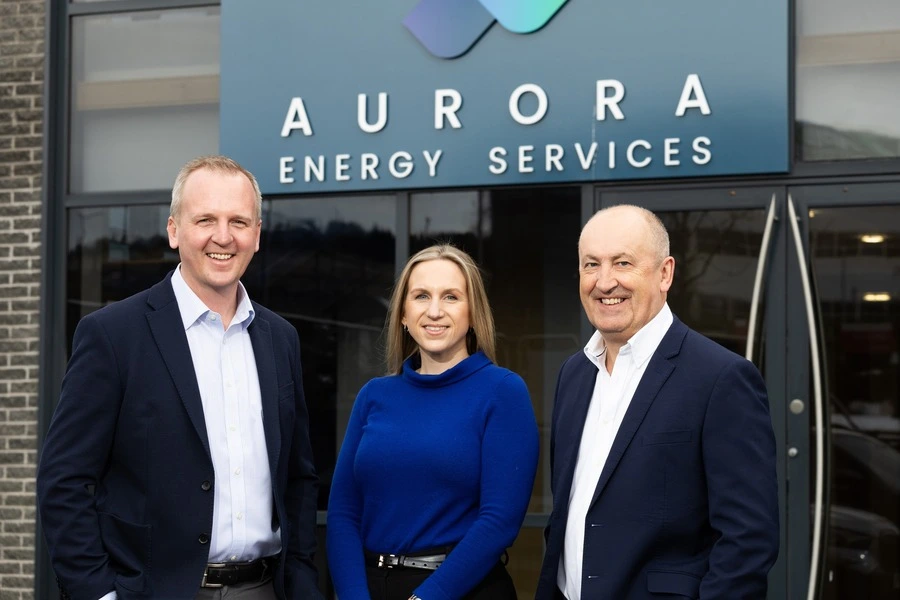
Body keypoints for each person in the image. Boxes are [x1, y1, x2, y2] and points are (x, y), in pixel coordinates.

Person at [37, 156, 324, 600]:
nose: (223, 236)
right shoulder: (114, 335)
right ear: (174, 230)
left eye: (238, 221)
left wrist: (302, 582)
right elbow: (65, 480)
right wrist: (97, 593)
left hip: (266, 589)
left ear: (257, 235)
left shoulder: (280, 339)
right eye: (205, 219)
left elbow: (299, 478)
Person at [535, 205, 779, 599]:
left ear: (665, 273)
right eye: (591, 264)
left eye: (623, 263)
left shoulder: (720, 378)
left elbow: (747, 542)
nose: (604, 281)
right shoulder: (574, 375)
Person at [326, 244, 539, 600]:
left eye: (451, 297)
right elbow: (343, 512)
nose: (435, 310)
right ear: (404, 316)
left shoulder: (503, 392)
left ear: (473, 313)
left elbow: (498, 521)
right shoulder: (373, 396)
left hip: (460, 590)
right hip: (370, 589)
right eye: (421, 296)